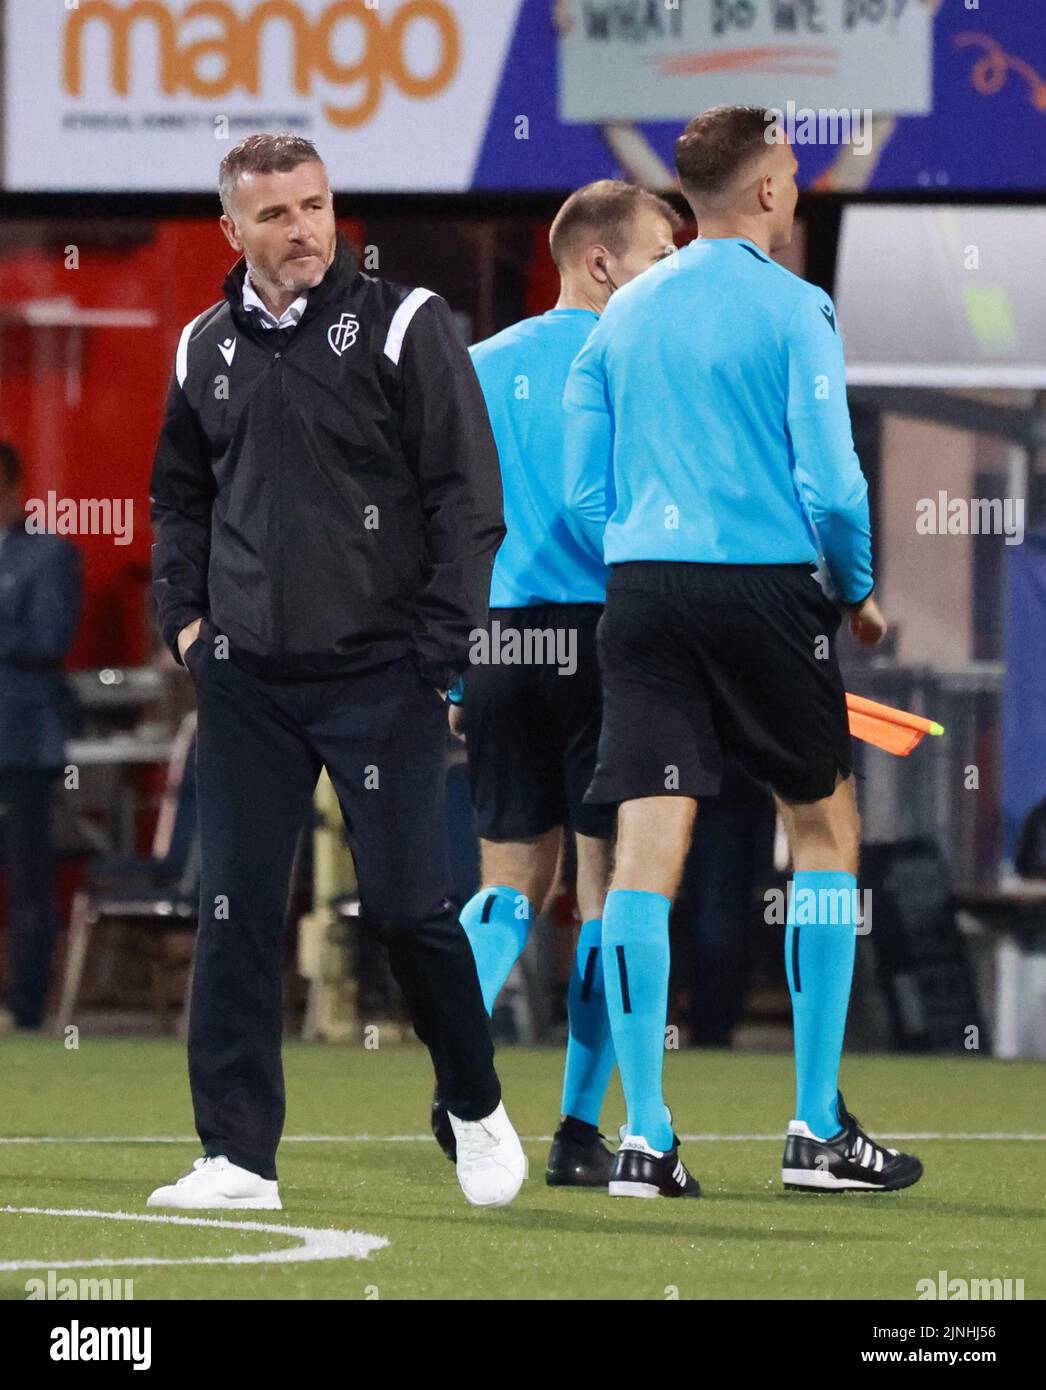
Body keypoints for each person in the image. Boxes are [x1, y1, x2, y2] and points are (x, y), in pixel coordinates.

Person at [148, 133, 525, 1211]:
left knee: (411, 913)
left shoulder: (406, 324)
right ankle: (236, 1157)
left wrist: (438, 656)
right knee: (232, 914)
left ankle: (472, 1100)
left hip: (382, 679)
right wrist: (187, 630)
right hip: (249, 683)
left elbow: (464, 499)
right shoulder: (200, 348)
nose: (303, 229)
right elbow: (179, 502)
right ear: (234, 231)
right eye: (274, 215)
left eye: (313, 205)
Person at [563, 105, 923, 1197]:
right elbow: (830, 481)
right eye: (791, 172)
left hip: (640, 594)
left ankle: (643, 1136)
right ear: (765, 190)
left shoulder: (619, 315)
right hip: (762, 592)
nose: (798, 186)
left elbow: (584, 493)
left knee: (641, 856)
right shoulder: (794, 307)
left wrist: (642, 552)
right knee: (822, 828)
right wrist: (853, 588)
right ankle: (814, 1128)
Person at [436, 182, 680, 1186]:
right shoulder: (641, 368)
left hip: (496, 641)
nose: (671, 275)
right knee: (606, 893)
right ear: (598, 261)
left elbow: (435, 521)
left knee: (506, 885)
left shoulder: (477, 367)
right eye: (660, 255)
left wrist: (453, 654)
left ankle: (461, 1084)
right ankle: (588, 1131)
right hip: (603, 640)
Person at [0, 440, 82, 1032]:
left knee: (28, 878)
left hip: (20, 742)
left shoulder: (49, 554)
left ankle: (25, 1008)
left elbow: (50, 637)